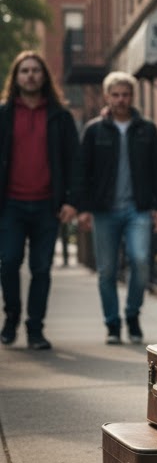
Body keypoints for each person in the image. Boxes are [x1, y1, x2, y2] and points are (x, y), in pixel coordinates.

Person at [78, 72, 157, 344]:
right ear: (107, 96)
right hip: (104, 211)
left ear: (132, 96)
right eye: (115, 95)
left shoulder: (147, 130)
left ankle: (132, 314)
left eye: (125, 94)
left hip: (138, 209)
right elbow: (83, 172)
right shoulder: (94, 130)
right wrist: (83, 208)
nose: (120, 100)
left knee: (140, 261)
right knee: (106, 270)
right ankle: (112, 324)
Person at [0, 52, 81, 349]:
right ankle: (11, 317)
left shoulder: (60, 116)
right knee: (9, 262)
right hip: (10, 204)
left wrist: (71, 201)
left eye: (36, 70)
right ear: (16, 77)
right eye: (25, 71)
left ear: (44, 76)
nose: (30, 75)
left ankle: (35, 329)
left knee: (41, 269)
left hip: (48, 206)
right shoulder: (4, 114)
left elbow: (75, 162)